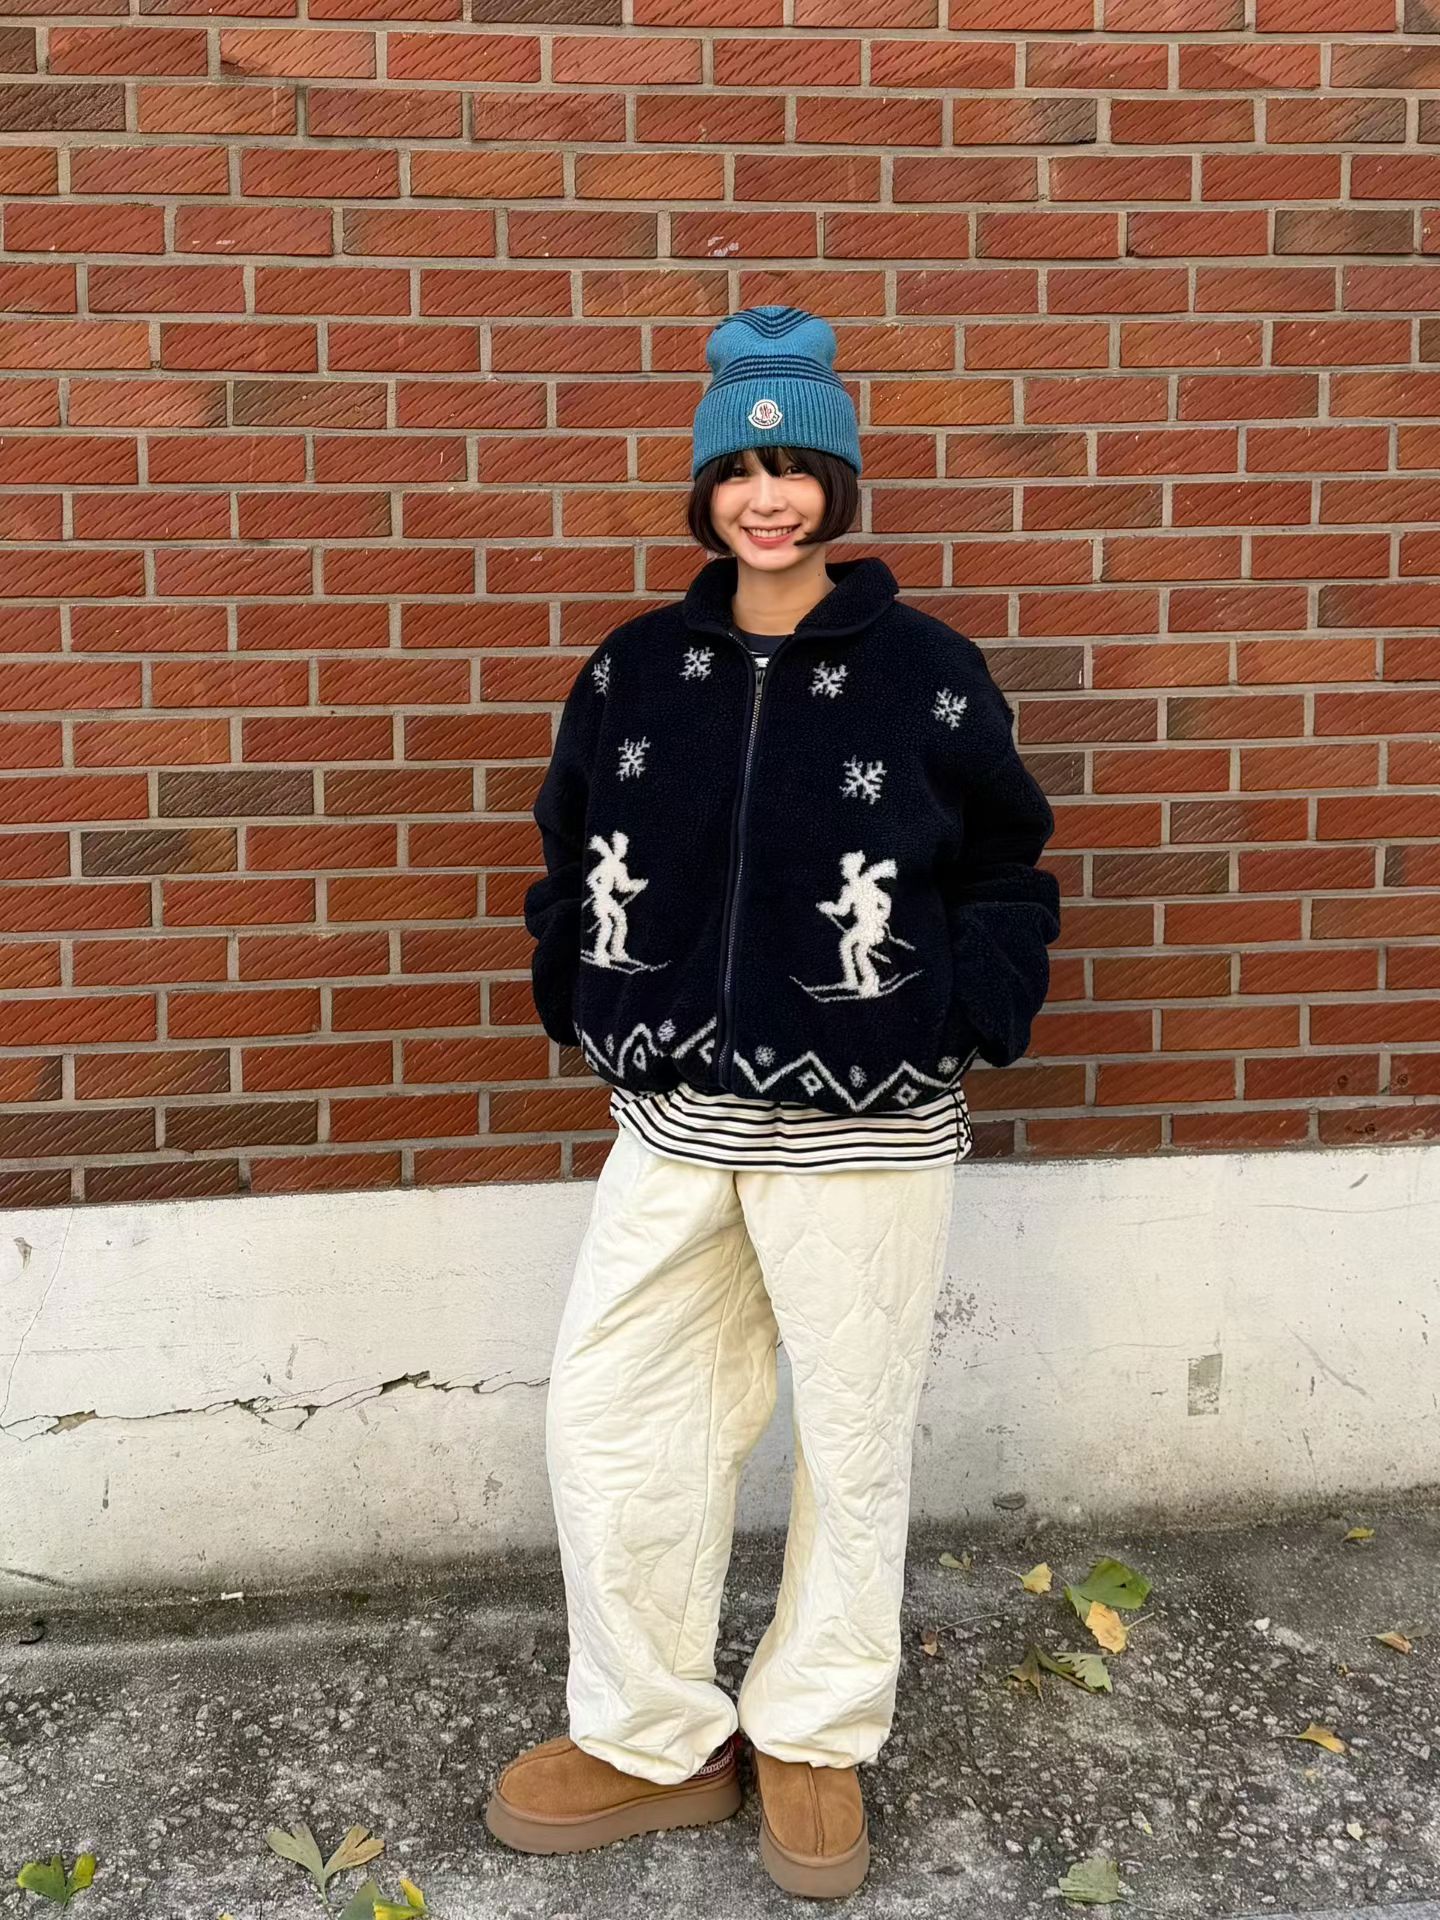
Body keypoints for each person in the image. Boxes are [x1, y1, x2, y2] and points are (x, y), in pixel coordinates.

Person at [484, 303, 1061, 1898]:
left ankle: (814, 1728)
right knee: (616, 1417)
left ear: (836, 487)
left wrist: (968, 1009)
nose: (768, 496)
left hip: (870, 1132)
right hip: (676, 1125)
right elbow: (568, 843)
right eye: (740, 470)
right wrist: (579, 981)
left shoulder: (926, 673)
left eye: (797, 467)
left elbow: (1008, 860)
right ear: (705, 489)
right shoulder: (637, 667)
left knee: (853, 1440)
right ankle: (651, 1733)